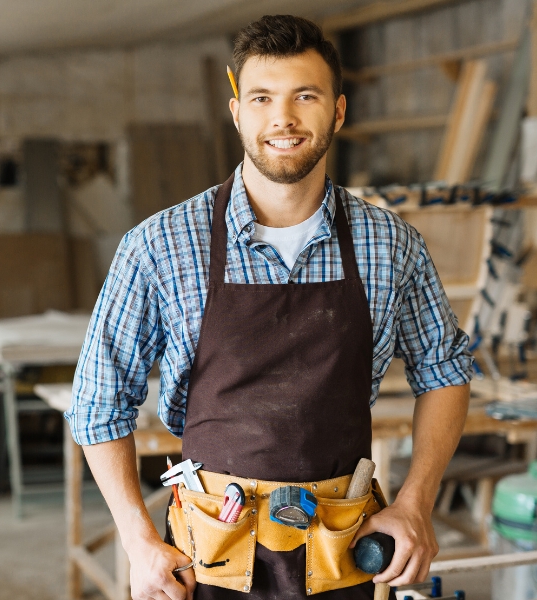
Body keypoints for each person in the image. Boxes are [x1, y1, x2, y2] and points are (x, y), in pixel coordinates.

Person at [66, 14, 472, 600]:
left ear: (337, 110)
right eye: (261, 98)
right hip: (211, 554)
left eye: (305, 96)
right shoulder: (160, 246)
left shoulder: (391, 245)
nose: (282, 118)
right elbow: (98, 403)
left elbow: (447, 373)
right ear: (237, 113)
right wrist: (137, 538)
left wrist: (416, 502)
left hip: (342, 553)